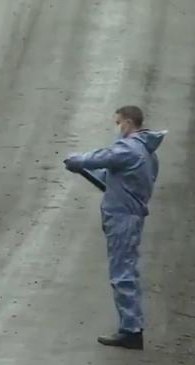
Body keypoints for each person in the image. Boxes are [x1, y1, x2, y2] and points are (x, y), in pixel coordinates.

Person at [63, 105, 166, 350]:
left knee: (123, 274)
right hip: (129, 215)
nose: (117, 127)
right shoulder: (148, 153)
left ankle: (130, 330)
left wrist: (74, 160)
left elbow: (100, 157)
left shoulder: (128, 148)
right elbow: (112, 179)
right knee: (127, 270)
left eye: (118, 122)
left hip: (123, 218)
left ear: (128, 122)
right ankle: (132, 326)